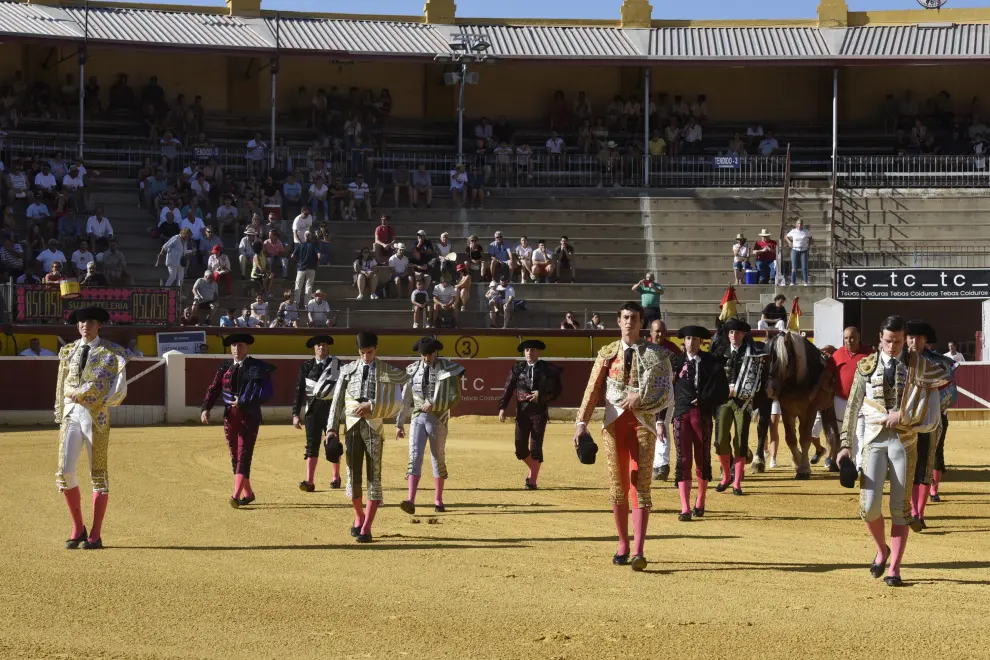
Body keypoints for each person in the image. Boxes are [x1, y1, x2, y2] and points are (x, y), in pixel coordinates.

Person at [836, 315, 949, 586]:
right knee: (869, 506)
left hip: (904, 441)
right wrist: (845, 444)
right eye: (888, 341)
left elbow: (941, 396)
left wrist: (906, 414)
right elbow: (852, 407)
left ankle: (895, 568)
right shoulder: (866, 366)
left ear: (905, 339)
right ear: (880, 339)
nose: (893, 346)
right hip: (875, 439)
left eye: (898, 341)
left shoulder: (921, 366)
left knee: (899, 508)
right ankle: (881, 549)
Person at [574, 302, 674, 571]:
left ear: (641, 322)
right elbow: (593, 389)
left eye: (634, 318)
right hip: (614, 424)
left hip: (643, 423)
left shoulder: (657, 355)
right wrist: (581, 422)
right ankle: (623, 544)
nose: (629, 322)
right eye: (625, 317)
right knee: (618, 485)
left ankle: (639, 550)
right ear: (618, 321)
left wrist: (640, 395)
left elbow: (666, 393)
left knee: (641, 485)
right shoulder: (607, 354)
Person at [54, 306, 131, 550]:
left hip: (96, 416)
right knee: (65, 471)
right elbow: (61, 383)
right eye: (81, 322)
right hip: (71, 414)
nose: (85, 325)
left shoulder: (112, 353)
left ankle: (95, 534)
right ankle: (78, 528)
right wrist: (62, 407)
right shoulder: (67, 351)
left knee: (98, 472)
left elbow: (119, 388)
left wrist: (95, 400)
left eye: (91, 322)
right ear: (77, 326)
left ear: (100, 326)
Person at [325, 331, 410, 543]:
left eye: (369, 352)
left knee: (374, 475)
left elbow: (397, 400)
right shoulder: (347, 370)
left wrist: (372, 405)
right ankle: (358, 516)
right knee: (352, 473)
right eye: (362, 353)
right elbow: (337, 402)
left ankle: (367, 527)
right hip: (352, 426)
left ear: (376, 348)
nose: (366, 357)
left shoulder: (386, 371)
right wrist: (331, 429)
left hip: (373, 426)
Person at [200, 334, 276, 508]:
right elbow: (214, 389)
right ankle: (248, 493)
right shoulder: (225, 367)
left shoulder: (257, 367)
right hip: (230, 417)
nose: (236, 349)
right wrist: (206, 408)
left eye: (240, 345)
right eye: (233, 345)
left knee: (244, 455)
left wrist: (243, 402)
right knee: (235, 455)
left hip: (249, 415)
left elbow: (266, 393)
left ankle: (235, 496)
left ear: (247, 347)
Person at [396, 338, 465, 514]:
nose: (426, 357)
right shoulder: (412, 370)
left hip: (438, 418)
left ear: (435, 352)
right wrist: (400, 423)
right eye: (423, 354)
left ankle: (438, 500)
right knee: (414, 456)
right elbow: (405, 398)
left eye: (429, 354)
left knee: (438, 458)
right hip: (418, 416)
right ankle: (410, 500)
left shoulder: (448, 368)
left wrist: (435, 404)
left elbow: (455, 397)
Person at [670, 325, 729, 521]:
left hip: (701, 414)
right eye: (688, 338)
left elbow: (721, 390)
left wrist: (705, 399)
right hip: (680, 414)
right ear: (683, 341)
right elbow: (666, 389)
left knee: (701, 458)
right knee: (683, 459)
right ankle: (685, 507)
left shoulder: (711, 363)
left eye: (694, 339)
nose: (691, 342)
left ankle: (701, 499)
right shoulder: (676, 362)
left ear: (701, 342)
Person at [497, 340, 563, 489]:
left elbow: (557, 390)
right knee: (520, 448)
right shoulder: (518, 369)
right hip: (522, 413)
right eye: (527, 350)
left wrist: (542, 395)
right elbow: (508, 389)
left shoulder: (547, 369)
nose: (529, 353)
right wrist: (502, 407)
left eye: (532, 350)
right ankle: (534, 468)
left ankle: (532, 481)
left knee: (535, 447)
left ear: (538, 352)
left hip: (539, 412)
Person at [292, 335, 343, 492]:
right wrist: (295, 414)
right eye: (318, 345)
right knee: (311, 445)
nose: (321, 348)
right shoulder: (306, 366)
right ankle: (310, 481)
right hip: (313, 409)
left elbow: (343, 389)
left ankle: (336, 476)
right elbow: (299, 391)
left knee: (332, 443)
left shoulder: (337, 365)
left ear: (328, 347)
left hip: (331, 408)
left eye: (324, 345)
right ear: (314, 348)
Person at [715, 318, 758, 496]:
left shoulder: (752, 354)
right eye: (731, 332)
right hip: (724, 400)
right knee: (721, 439)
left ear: (743, 334)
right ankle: (727, 476)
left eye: (738, 332)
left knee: (741, 439)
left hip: (743, 402)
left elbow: (756, 379)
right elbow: (714, 378)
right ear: (728, 334)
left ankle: (738, 482)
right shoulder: (720, 352)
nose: (734, 336)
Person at [649, 319, 682, 482]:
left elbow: (682, 368)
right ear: (651, 332)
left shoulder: (673, 350)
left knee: (661, 424)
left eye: (662, 331)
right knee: (649, 427)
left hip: (668, 395)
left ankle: (661, 465)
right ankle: (652, 463)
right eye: (657, 331)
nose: (659, 334)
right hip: (646, 396)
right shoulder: (642, 348)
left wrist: (676, 376)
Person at [786, 219, 812, 286]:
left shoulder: (806, 231)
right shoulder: (793, 231)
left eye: (801, 223)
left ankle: (805, 281)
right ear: (796, 224)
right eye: (798, 223)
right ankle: (793, 281)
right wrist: (789, 242)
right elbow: (786, 237)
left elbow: (810, 237)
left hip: (804, 250)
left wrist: (808, 245)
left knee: (804, 267)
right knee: (794, 267)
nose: (799, 225)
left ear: (802, 224)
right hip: (795, 249)